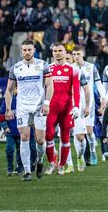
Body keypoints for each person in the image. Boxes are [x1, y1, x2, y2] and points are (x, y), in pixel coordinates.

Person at [4, 39, 52, 181]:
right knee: (24, 137)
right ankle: (26, 171)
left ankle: (39, 161)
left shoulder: (43, 65)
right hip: (22, 107)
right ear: (21, 51)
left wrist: (47, 103)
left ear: (34, 50)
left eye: (29, 49)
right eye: (24, 50)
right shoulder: (15, 68)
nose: (27, 52)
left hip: (39, 106)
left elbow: (50, 85)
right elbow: (8, 90)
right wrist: (8, 108)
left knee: (40, 140)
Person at [43, 42, 81, 175]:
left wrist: (76, 106)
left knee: (65, 137)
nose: (57, 53)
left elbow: (76, 89)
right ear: (52, 53)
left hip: (66, 109)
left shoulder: (73, 69)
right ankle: (51, 162)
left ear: (65, 52)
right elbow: (43, 88)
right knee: (48, 136)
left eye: (60, 50)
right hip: (51, 108)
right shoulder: (47, 68)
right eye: (55, 51)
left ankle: (62, 165)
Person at [0, 86, 35, 175]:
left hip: (21, 132)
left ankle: (20, 167)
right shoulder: (8, 101)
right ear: (13, 90)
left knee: (21, 151)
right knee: (9, 149)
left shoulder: (27, 101)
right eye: (16, 87)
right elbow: (1, 116)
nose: (18, 89)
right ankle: (10, 168)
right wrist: (5, 127)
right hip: (10, 132)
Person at [71, 46, 96, 170]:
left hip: (86, 104)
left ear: (83, 54)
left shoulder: (90, 67)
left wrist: (100, 100)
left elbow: (94, 86)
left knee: (88, 132)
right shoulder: (71, 69)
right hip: (72, 105)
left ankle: (91, 152)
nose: (76, 56)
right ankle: (79, 158)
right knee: (77, 135)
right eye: (74, 54)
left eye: (78, 54)